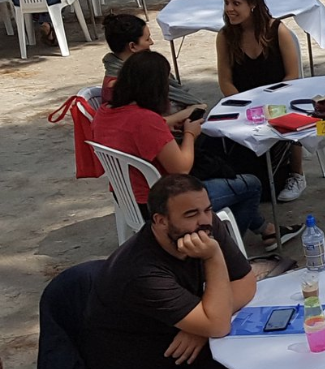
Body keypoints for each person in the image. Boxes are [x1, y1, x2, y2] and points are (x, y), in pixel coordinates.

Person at [79, 174, 261, 369]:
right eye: (191, 214)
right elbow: (218, 324)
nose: (204, 221)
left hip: (187, 348)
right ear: (160, 221)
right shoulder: (140, 270)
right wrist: (214, 260)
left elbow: (245, 283)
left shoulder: (206, 227)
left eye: (207, 209)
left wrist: (200, 327)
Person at [94, 51, 272, 241]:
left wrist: (170, 123)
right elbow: (181, 167)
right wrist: (190, 133)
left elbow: (136, 132)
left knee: (232, 182)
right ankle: (221, 247)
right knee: (251, 185)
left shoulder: (105, 111)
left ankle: (265, 229)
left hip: (126, 198)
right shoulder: (146, 120)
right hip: (162, 201)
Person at [216, 0, 307, 202]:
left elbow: (292, 75)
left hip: (280, 99)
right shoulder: (225, 36)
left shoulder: (277, 30)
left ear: (252, 4)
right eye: (226, 3)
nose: (229, 9)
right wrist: (245, 105)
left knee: (291, 122)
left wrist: (272, 104)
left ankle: (297, 174)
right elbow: (225, 80)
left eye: (236, 3)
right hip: (245, 105)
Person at [101, 11, 204, 110]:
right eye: (147, 39)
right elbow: (142, 121)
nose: (152, 42)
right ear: (132, 46)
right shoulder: (121, 86)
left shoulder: (142, 70)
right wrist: (187, 114)